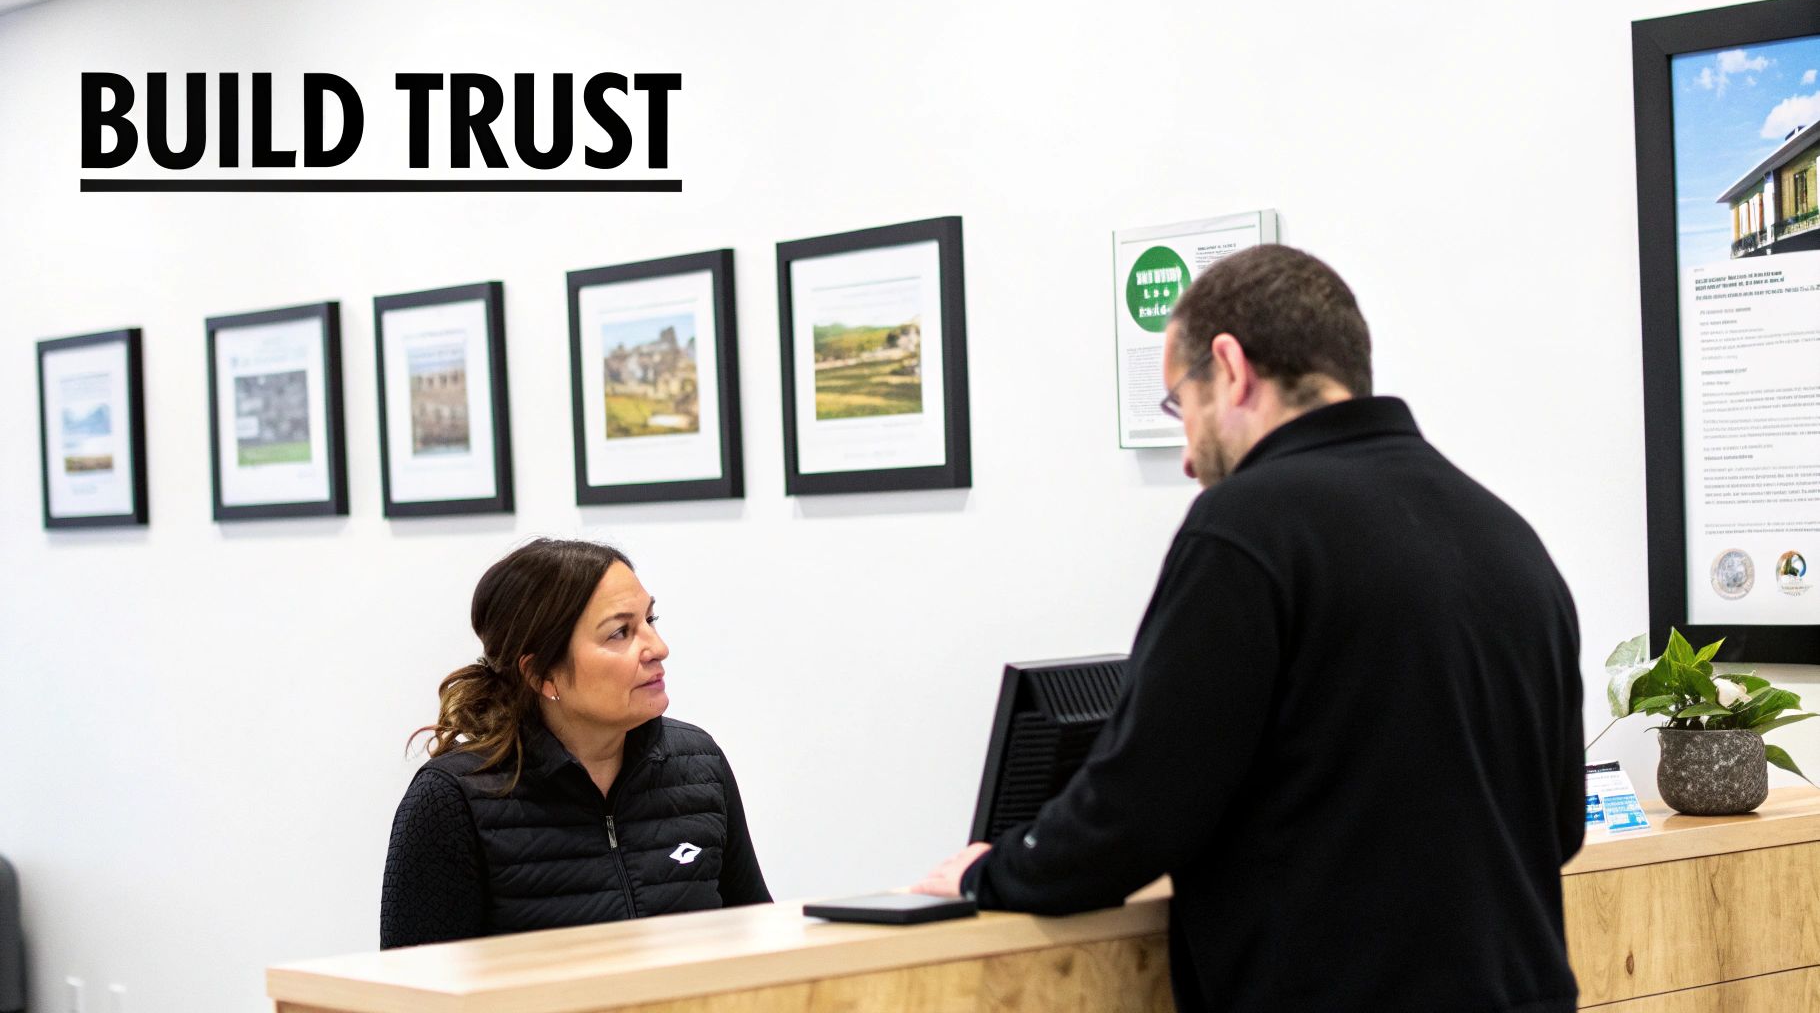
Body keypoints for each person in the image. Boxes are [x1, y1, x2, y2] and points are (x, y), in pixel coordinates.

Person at [916, 245, 1584, 1012]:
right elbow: (1555, 826)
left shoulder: (1249, 527)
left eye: (1180, 404)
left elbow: (1136, 807)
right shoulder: (1507, 536)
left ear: (1229, 368)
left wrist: (991, 871)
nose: (1186, 455)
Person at [381, 538, 769, 949]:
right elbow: (412, 992)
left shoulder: (699, 764)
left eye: (650, 620)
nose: (658, 648)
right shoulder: (452, 799)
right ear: (542, 675)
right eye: (620, 632)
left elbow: (757, 942)